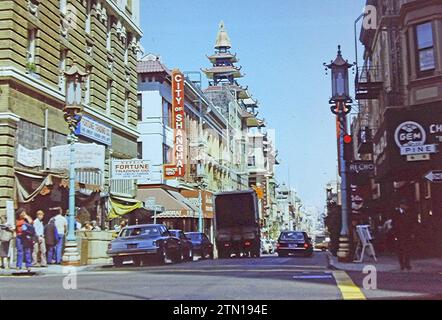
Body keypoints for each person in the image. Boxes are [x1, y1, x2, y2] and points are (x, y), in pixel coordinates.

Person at [392, 198, 415, 271]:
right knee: (400, 249)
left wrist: (412, 233)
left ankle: (407, 263)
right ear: (401, 205)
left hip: (407, 233)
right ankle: (402, 264)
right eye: (404, 205)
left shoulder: (409, 213)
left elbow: (412, 223)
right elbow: (393, 223)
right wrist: (395, 233)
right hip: (399, 234)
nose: (406, 207)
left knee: (408, 249)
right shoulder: (396, 213)